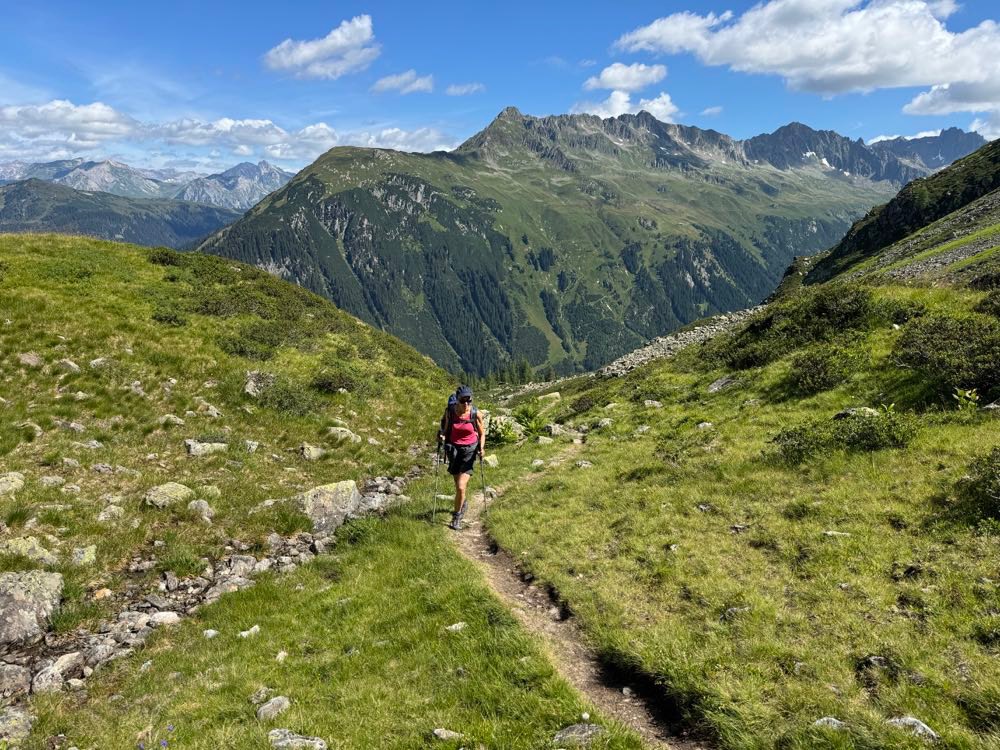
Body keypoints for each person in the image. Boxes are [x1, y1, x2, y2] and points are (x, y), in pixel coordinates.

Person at [438, 385, 485, 530]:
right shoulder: (450, 412)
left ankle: (456, 516)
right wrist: (441, 436)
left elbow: (482, 433)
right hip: (453, 450)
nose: (466, 404)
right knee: (458, 484)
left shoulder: (475, 414)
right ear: (457, 400)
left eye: (469, 401)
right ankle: (462, 502)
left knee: (460, 486)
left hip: (469, 451)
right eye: (463, 401)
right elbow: (445, 430)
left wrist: (481, 448)